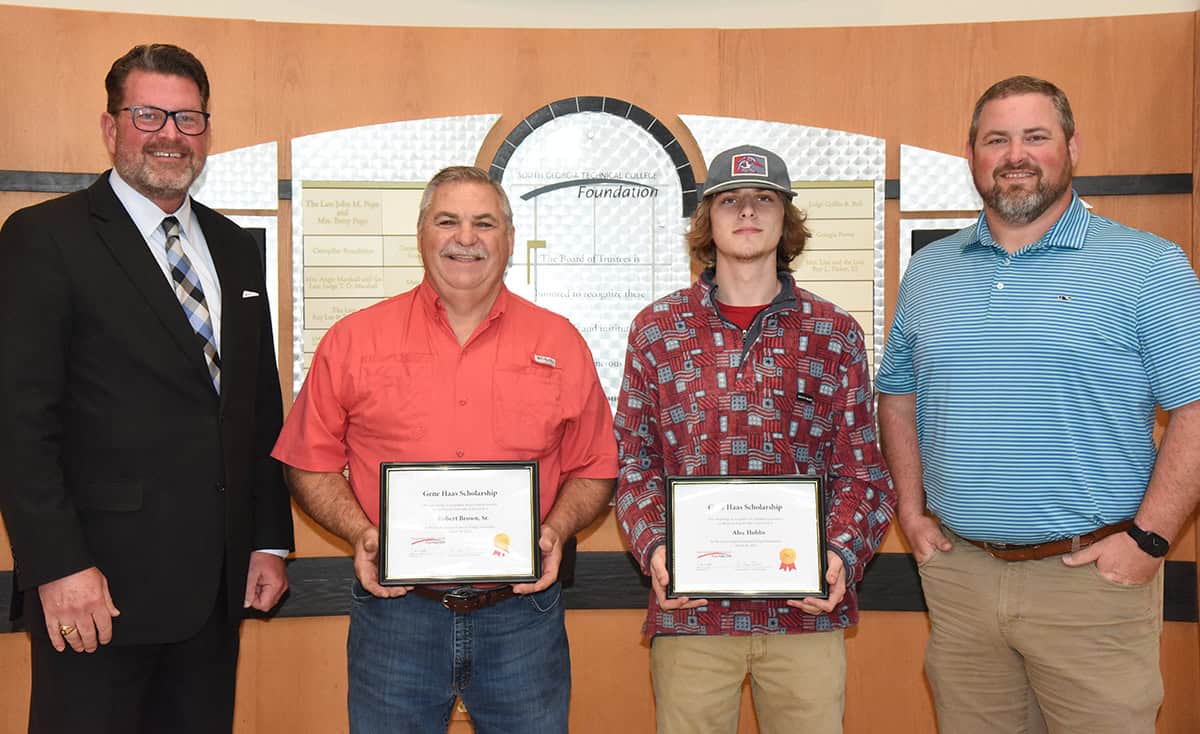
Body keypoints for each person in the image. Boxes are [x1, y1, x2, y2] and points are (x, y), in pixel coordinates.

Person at [877, 75, 1200, 733]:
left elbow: (1195, 410)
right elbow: (898, 395)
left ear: (1072, 148)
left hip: (1093, 580)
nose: (1015, 155)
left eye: (1035, 136)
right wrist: (910, 512)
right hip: (961, 578)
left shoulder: (1149, 265)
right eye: (997, 139)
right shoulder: (931, 272)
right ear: (972, 155)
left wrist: (1148, 539)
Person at [0, 44, 293, 733]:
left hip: (215, 591)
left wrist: (268, 540)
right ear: (110, 128)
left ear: (207, 132)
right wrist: (59, 566)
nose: (170, 135)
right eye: (148, 114)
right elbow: (18, 420)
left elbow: (256, 403)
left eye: (188, 119)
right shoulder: (45, 238)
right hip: (96, 591)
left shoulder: (230, 245)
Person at [272, 165, 618, 733]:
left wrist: (557, 529)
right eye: (448, 221)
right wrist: (361, 532)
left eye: (484, 223)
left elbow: (596, 465)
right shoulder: (354, 339)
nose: (466, 238)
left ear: (508, 238)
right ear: (421, 235)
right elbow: (308, 461)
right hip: (396, 614)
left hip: (522, 617)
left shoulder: (560, 342)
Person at [613, 144, 894, 733]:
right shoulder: (657, 330)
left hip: (803, 610)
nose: (747, 212)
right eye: (730, 200)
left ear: (784, 218)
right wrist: (658, 550)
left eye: (764, 199)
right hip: (691, 613)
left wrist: (839, 556)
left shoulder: (834, 333)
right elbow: (633, 462)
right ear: (707, 219)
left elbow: (864, 471)